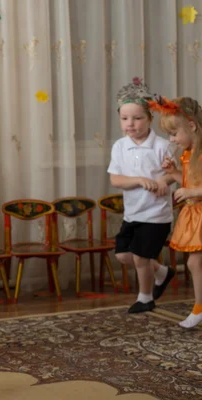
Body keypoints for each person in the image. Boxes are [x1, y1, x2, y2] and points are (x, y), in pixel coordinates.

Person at [107, 77, 174, 314]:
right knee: (125, 255)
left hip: (156, 215)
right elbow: (116, 179)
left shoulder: (163, 146)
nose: (130, 124)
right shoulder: (120, 146)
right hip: (132, 213)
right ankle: (163, 272)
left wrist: (163, 180)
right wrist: (138, 180)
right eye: (125, 119)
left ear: (150, 119)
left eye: (137, 118)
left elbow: (175, 173)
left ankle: (145, 298)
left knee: (141, 259)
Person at [154, 96, 202, 328]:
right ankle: (199, 307)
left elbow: (194, 186)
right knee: (195, 263)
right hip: (195, 214)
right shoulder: (188, 154)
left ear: (191, 126)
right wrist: (173, 173)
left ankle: (199, 308)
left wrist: (191, 190)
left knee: (195, 263)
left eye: (174, 134)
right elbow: (187, 181)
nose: (172, 140)